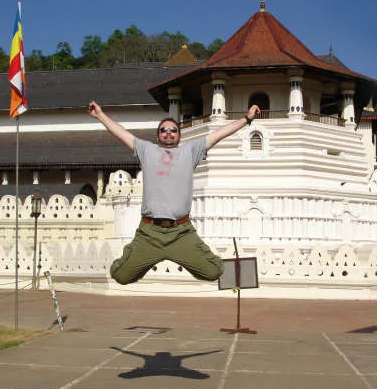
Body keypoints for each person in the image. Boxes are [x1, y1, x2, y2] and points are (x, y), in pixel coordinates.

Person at [88, 100, 260, 284]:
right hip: (150, 233)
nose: (168, 132)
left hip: (181, 232)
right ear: (157, 136)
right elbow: (122, 133)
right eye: (163, 130)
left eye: (173, 130)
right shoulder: (146, 150)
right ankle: (138, 255)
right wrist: (100, 115)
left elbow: (219, 134)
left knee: (214, 271)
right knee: (120, 276)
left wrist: (246, 119)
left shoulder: (191, 151)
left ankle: (185, 253)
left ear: (179, 136)